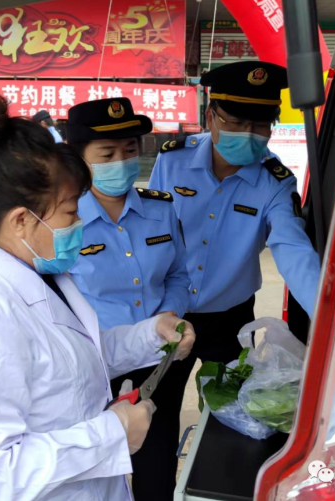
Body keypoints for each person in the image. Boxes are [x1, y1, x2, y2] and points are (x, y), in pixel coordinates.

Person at [0, 94, 196, 501]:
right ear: (22, 220)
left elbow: (80, 355)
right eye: (71, 213)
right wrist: (111, 434)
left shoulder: (46, 274)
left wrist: (151, 334)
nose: (78, 223)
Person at [149, 61, 321, 366]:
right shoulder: (172, 161)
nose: (249, 134)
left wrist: (325, 316)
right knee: (159, 407)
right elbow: (151, 227)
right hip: (169, 312)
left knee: (230, 408)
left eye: (260, 126)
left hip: (231, 319)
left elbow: (292, 249)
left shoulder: (276, 182)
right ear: (210, 118)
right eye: (238, 123)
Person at [66, 97, 191, 501]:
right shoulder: (63, 221)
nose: (122, 161)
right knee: (98, 468)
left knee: (156, 467)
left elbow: (178, 273)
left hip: (158, 361)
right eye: (107, 153)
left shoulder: (161, 209)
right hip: (97, 366)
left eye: (130, 150)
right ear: (79, 158)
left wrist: (170, 313)